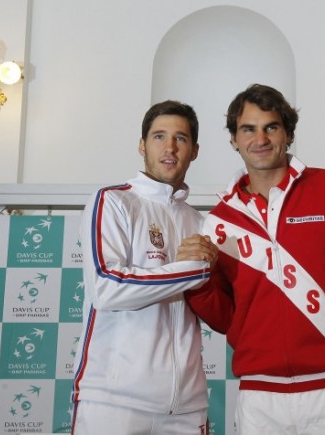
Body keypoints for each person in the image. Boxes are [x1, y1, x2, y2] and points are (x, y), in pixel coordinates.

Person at [184, 84, 325, 434]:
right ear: (234, 139)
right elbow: (225, 317)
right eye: (248, 129)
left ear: (288, 133)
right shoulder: (220, 221)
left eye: (271, 127)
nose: (260, 139)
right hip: (260, 396)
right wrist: (196, 283)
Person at [71, 100, 219, 435]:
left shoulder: (200, 222)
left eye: (181, 138)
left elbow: (214, 307)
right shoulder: (113, 201)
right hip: (114, 403)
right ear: (142, 145)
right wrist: (194, 269)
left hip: (187, 407)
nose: (170, 147)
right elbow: (106, 288)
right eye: (159, 136)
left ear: (195, 151)